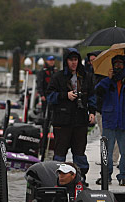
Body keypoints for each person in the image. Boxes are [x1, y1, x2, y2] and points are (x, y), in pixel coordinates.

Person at [46, 48, 96, 185]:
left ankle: (80, 177)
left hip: (80, 120)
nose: (73, 63)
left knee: (80, 151)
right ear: (66, 61)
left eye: (76, 60)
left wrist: (92, 112)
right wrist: (65, 95)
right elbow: (49, 97)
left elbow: (92, 96)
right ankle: (57, 179)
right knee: (60, 152)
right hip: (62, 121)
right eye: (71, 60)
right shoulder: (58, 77)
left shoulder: (86, 76)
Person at [95, 55, 125, 186]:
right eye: (115, 64)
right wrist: (108, 79)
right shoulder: (107, 81)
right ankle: (106, 176)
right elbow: (97, 91)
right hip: (110, 119)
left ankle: (123, 176)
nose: (118, 67)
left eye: (120, 64)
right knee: (107, 150)